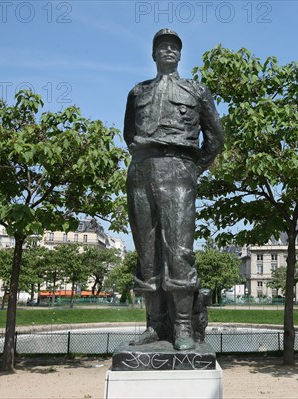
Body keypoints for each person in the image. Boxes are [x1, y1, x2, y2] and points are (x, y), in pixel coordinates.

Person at [124, 29, 223, 351]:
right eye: (161, 47)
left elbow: (216, 138)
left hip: (179, 170)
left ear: (179, 55)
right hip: (141, 172)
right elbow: (129, 134)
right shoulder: (138, 92)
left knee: (179, 251)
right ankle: (154, 326)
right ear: (154, 55)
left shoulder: (196, 91)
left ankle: (182, 327)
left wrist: (193, 169)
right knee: (147, 252)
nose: (167, 51)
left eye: (173, 47)